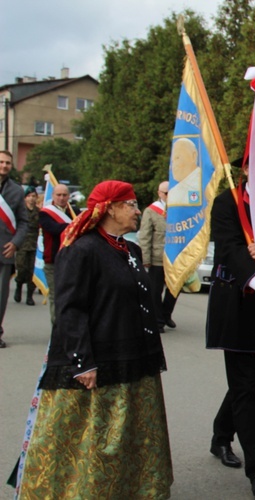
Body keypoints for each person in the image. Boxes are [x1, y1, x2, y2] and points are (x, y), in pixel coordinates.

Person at [16, 180, 172, 498]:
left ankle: (134, 487)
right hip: (98, 361)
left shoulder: (131, 249)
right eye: (129, 204)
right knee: (95, 435)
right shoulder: (82, 249)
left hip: (134, 358)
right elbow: (70, 309)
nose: (136, 209)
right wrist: (82, 361)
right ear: (110, 209)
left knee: (131, 433)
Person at [205, 139, 255, 497]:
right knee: (246, 388)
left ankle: (220, 435)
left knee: (244, 384)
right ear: (245, 169)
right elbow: (229, 249)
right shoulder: (227, 203)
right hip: (239, 306)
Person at [138, 181, 178, 333]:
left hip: (175, 258)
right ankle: (158, 321)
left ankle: (166, 314)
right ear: (160, 193)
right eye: (167, 193)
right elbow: (145, 236)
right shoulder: (151, 211)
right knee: (155, 291)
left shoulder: (180, 209)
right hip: (157, 257)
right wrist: (145, 258)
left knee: (175, 289)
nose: (170, 196)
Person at [0, 151, 29, 348]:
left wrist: (16, 243)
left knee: (1, 296)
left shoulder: (17, 191)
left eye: (7, 163)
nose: (4, 165)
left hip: (5, 251)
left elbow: (24, 222)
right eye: (1, 162)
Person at [39, 183, 73, 323]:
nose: (61, 198)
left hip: (72, 260)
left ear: (68, 196)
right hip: (53, 260)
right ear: (53, 196)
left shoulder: (73, 211)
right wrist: (73, 225)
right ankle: (57, 328)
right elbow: (53, 229)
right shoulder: (45, 213)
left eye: (64, 195)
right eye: (58, 195)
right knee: (56, 295)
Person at [14, 187, 39, 306]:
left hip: (34, 244)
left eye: (34, 196)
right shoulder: (21, 211)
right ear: (25, 198)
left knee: (31, 271)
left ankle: (30, 296)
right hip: (22, 244)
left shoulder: (39, 212)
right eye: (29, 196)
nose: (31, 199)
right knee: (21, 268)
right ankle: (18, 285)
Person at [168, 137, 202, 205]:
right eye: (172, 161)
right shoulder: (173, 192)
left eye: (177, 158)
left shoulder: (203, 183)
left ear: (193, 156)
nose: (173, 166)